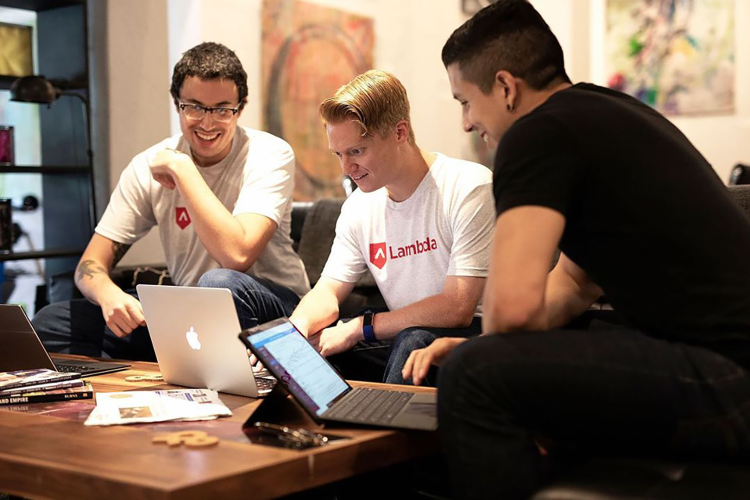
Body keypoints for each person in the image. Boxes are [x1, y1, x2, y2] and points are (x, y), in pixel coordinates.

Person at [403, 1, 750, 498]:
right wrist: (487, 346)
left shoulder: (535, 134)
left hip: (728, 379)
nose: (465, 123)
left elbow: (511, 312)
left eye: (465, 102)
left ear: (506, 88)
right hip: (719, 366)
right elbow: (573, 283)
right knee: (515, 351)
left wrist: (484, 351)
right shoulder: (607, 112)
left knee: (471, 376)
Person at [33, 42, 309, 361]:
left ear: (241, 107)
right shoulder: (146, 165)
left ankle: (220, 374)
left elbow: (237, 256)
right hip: (192, 315)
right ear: (177, 104)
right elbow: (89, 264)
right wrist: (109, 295)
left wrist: (183, 168)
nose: (207, 123)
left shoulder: (269, 154)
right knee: (52, 322)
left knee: (220, 285)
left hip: (275, 310)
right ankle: (175, 370)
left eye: (222, 109)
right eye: (194, 107)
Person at [288, 69, 495, 385]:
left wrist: (360, 328)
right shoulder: (359, 207)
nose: (346, 168)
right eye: (338, 154)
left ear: (400, 132)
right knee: (319, 350)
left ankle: (384, 419)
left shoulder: (469, 187)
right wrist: (297, 329)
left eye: (356, 151)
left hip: (474, 338)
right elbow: (328, 290)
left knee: (413, 341)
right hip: (403, 335)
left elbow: (457, 308)